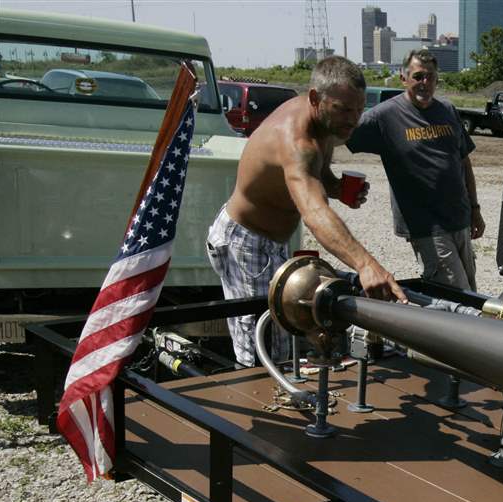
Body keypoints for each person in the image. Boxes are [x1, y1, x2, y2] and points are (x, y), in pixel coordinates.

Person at [206, 56, 405, 367]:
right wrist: (366, 265)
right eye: (344, 109)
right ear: (316, 98)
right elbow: (314, 212)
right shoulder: (298, 140)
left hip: (272, 239)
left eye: (358, 109)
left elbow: (316, 173)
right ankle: (261, 405)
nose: (353, 119)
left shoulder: (323, 120)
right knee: (264, 345)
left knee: (284, 327)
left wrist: (336, 187)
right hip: (247, 241)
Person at [346, 49, 483, 292]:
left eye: (430, 77)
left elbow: (463, 161)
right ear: (404, 78)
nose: (425, 83)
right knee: (457, 298)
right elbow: (340, 133)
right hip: (427, 226)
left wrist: (475, 209)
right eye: (418, 76)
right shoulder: (384, 117)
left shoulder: (448, 111)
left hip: (459, 219)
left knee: (471, 291)